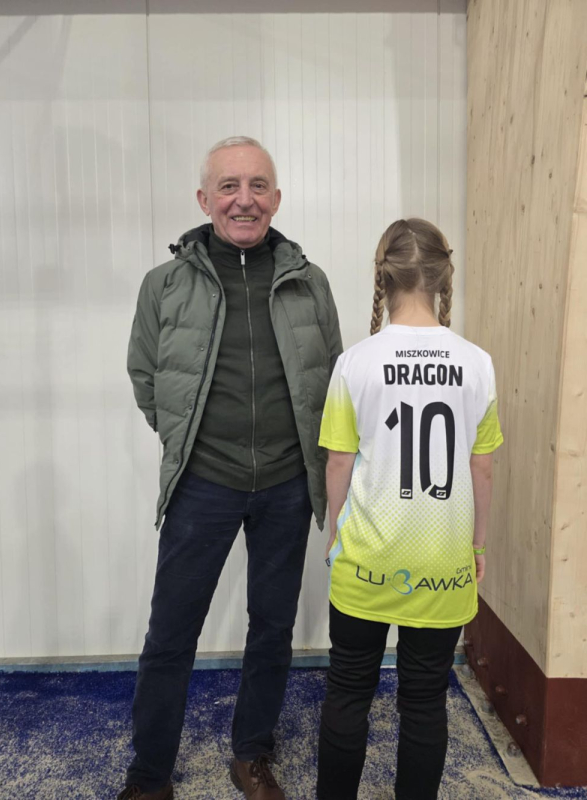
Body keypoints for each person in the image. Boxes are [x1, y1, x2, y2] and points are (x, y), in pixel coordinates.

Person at [120, 136, 342, 800]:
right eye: (229, 186)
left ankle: (252, 755)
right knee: (171, 633)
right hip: (202, 485)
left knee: (272, 629)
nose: (244, 200)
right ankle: (150, 773)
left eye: (257, 186)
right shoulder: (164, 285)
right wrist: (185, 441)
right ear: (204, 199)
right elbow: (145, 375)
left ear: (276, 198)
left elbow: (332, 377)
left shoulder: (310, 282)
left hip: (285, 486)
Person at [315, 218, 503, 800]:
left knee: (349, 691)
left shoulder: (355, 362)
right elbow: (482, 469)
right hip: (444, 562)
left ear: (383, 276)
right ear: (444, 277)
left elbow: (339, 463)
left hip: (366, 559)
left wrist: (334, 532)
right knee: (424, 701)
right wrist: (477, 546)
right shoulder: (478, 363)